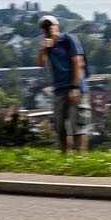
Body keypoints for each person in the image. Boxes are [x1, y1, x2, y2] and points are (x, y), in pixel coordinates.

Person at [36, 14, 90, 154]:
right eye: (45, 27)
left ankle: (81, 158)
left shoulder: (69, 39)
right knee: (61, 128)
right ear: (42, 30)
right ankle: (64, 159)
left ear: (57, 26)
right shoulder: (47, 46)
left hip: (76, 88)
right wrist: (43, 49)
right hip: (59, 90)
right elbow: (40, 64)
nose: (48, 29)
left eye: (50, 25)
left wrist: (74, 87)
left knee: (78, 126)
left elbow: (77, 62)